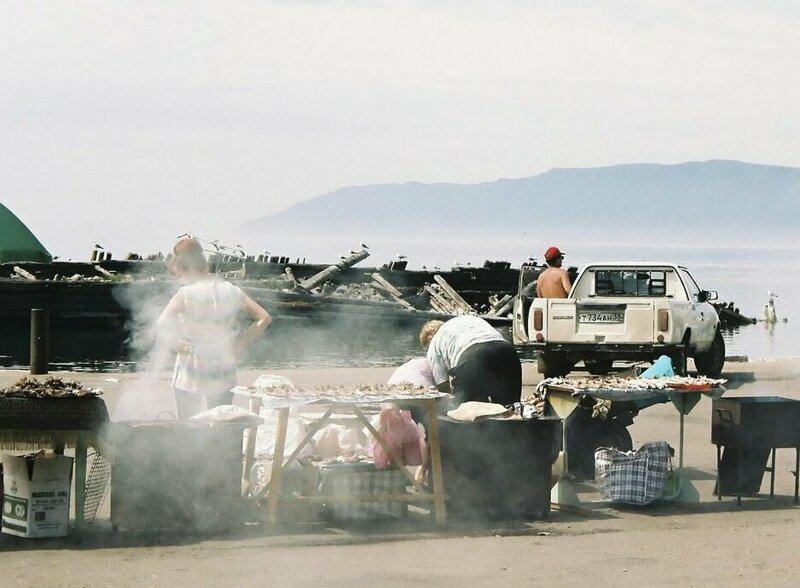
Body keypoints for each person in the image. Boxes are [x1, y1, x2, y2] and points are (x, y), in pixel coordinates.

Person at [157, 237, 272, 420]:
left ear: (185, 267)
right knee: (220, 424)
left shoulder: (186, 294)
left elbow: (161, 324)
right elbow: (264, 318)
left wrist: (177, 344)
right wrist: (240, 342)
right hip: (222, 363)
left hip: (191, 366)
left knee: (189, 425)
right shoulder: (231, 290)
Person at [420, 315, 521, 407]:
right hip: (507, 353)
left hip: (474, 357)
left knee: (463, 411)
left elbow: (442, 386)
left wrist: (449, 405)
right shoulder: (466, 321)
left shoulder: (434, 341)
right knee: (510, 410)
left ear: (429, 337)